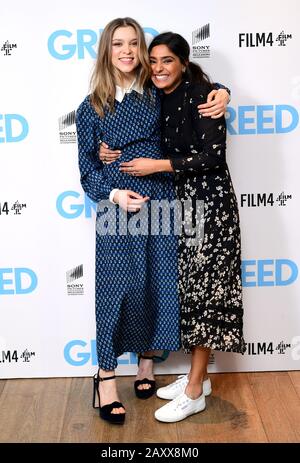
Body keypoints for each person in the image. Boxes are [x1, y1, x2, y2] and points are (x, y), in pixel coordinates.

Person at [77, 18, 230, 425]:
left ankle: (147, 364)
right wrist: (111, 191)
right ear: (106, 52)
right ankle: (105, 378)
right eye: (117, 44)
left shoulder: (156, 93)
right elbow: (87, 170)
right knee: (117, 287)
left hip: (163, 198)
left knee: (157, 284)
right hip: (117, 206)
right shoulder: (91, 106)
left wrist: (223, 93)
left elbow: (191, 87)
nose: (127, 51)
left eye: (134, 44)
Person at [115, 32, 246, 423]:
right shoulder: (158, 96)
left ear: (183, 63)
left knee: (206, 296)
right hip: (182, 209)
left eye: (166, 61)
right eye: (152, 61)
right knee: (190, 295)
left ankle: (194, 391)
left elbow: (211, 157)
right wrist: (109, 149)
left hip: (211, 210)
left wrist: (221, 91)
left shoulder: (203, 96)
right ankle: (200, 378)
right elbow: (139, 134)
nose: (157, 68)